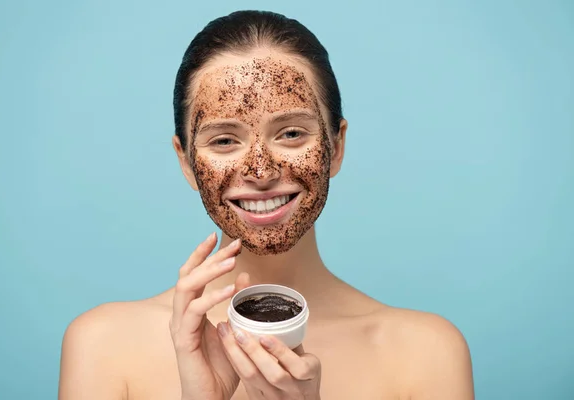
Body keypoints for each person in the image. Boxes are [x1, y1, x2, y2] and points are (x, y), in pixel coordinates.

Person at [58, 10, 474, 400]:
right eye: (224, 140)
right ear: (186, 162)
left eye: (291, 133)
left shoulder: (426, 354)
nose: (260, 170)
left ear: (337, 146)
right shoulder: (103, 346)